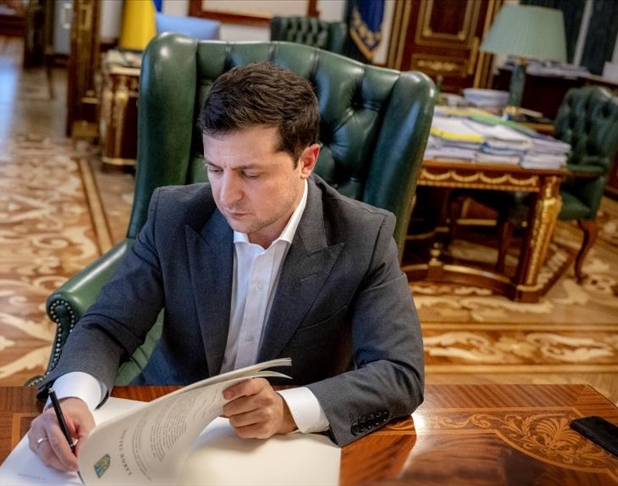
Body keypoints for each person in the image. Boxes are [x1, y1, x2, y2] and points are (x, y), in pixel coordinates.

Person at [29, 62, 424, 472]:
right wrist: (72, 397)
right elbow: (109, 326)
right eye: (215, 169)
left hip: (286, 451)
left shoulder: (364, 236)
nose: (226, 195)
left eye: (250, 174)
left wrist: (289, 409)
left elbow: (399, 372)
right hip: (161, 431)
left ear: (307, 161)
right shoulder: (174, 215)